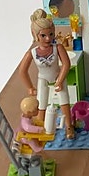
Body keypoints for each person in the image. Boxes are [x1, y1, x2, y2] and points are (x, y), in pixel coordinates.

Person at [18, 9, 75, 139]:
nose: (48, 38)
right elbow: (22, 71)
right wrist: (30, 87)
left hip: (57, 76)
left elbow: (66, 64)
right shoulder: (32, 53)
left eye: (51, 34)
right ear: (35, 35)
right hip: (43, 78)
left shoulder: (58, 48)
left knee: (64, 101)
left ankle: (69, 126)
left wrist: (60, 80)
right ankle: (41, 126)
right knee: (41, 103)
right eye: (43, 35)